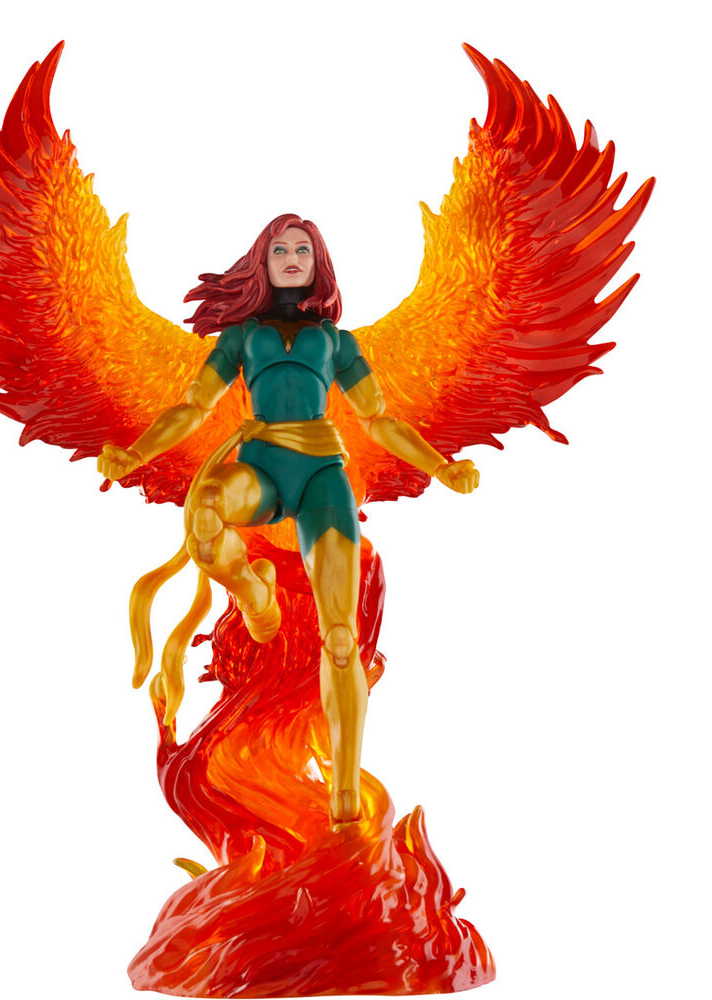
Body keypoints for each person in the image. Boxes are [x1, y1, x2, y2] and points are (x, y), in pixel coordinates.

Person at [98, 214, 479, 822]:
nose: (292, 257)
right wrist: (135, 454)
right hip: (261, 469)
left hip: (323, 476)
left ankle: (344, 793)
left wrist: (441, 466)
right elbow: (192, 407)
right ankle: (256, 597)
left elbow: (379, 420)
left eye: (303, 248)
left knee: (340, 638)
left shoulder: (337, 343)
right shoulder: (241, 339)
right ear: (264, 261)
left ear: (318, 261)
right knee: (205, 513)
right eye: (280, 250)